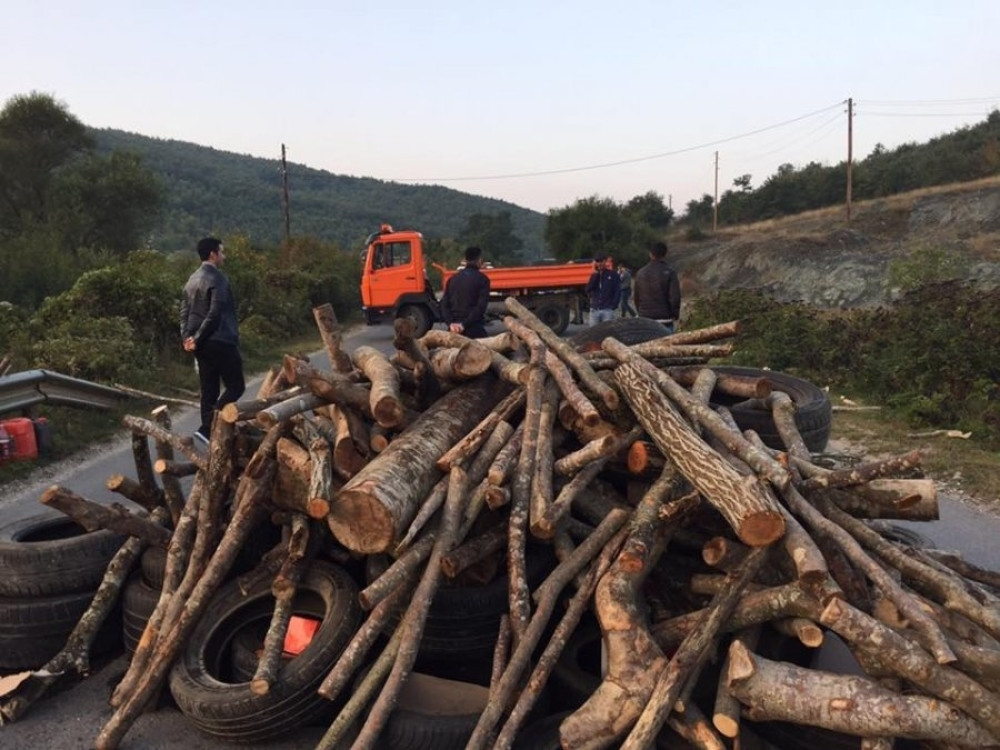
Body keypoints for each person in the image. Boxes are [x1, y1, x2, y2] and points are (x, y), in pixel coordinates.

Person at [180, 236, 245, 443]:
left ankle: (207, 432)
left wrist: (188, 338)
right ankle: (209, 426)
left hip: (200, 344)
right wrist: (197, 338)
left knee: (209, 390)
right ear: (212, 254)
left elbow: (184, 312)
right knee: (236, 386)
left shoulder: (191, 279)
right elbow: (214, 313)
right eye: (222, 252)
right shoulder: (218, 278)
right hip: (221, 340)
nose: (223, 256)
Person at [440, 245, 491, 338]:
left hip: (453, 331)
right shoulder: (483, 280)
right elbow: (480, 307)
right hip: (474, 329)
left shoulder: (452, 279)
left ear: (465, 260)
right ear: (479, 260)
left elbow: (444, 304)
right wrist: (463, 324)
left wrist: (451, 324)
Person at [633, 240, 681, 334]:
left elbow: (636, 297)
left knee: (645, 347)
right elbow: (675, 297)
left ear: (650, 254)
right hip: (665, 319)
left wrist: (641, 312)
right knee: (667, 347)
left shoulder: (640, 273)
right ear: (665, 254)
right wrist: (675, 314)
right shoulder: (670, 272)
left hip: (645, 318)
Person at [585, 254, 621, 326]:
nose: (600, 263)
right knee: (593, 333)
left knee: (607, 332)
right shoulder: (594, 275)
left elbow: (617, 290)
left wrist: (614, 305)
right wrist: (596, 275)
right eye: (598, 262)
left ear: (605, 262)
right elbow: (588, 289)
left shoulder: (613, 274)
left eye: (601, 261)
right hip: (595, 309)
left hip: (607, 309)